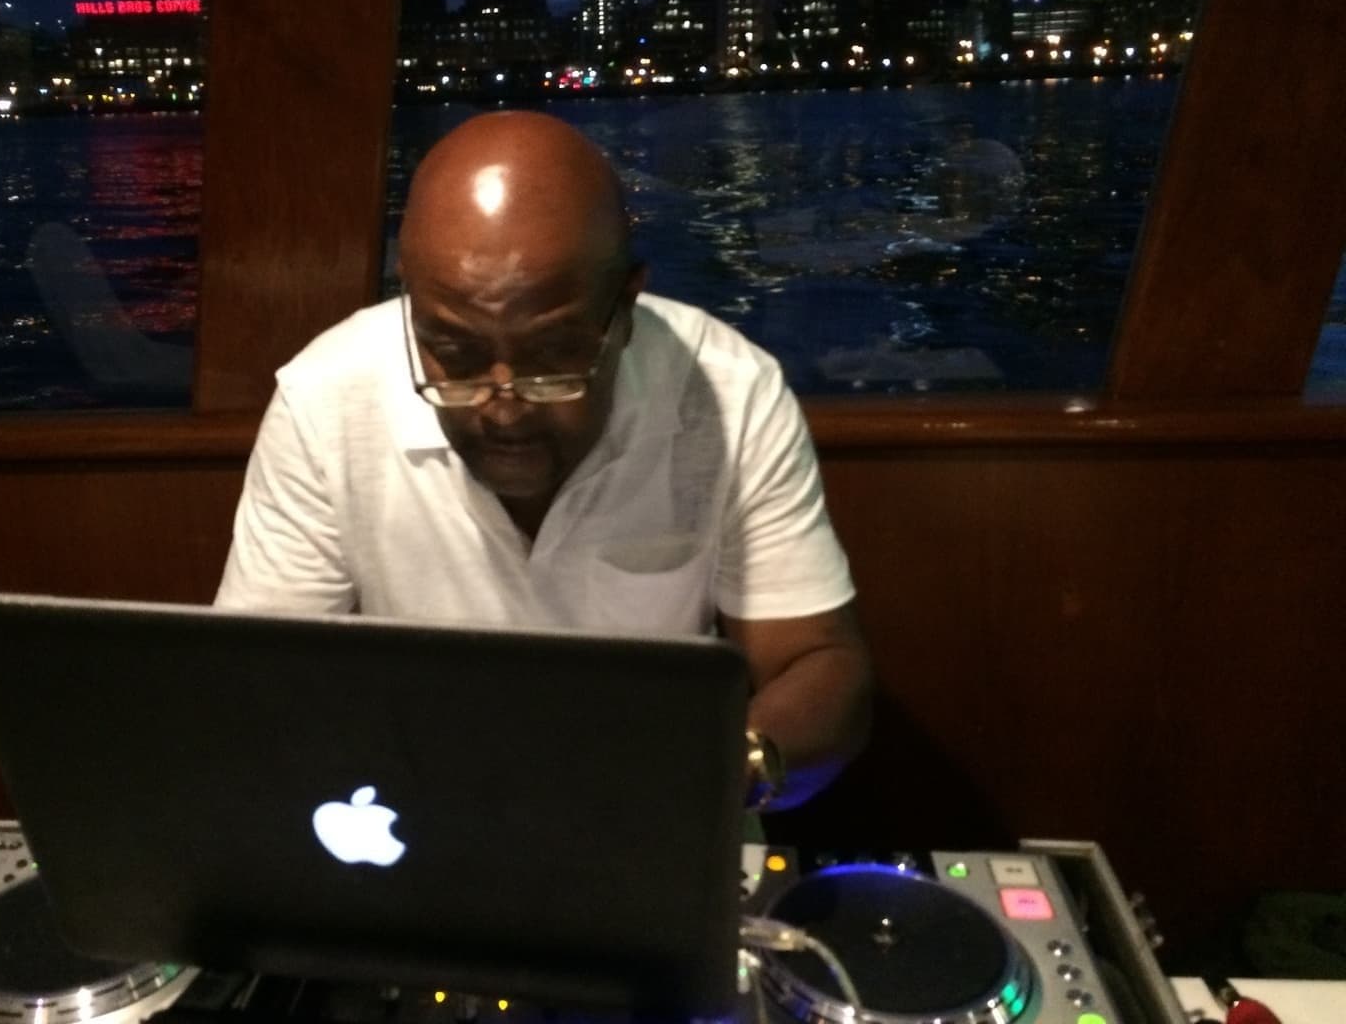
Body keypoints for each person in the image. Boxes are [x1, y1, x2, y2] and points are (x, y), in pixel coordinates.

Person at [217, 111, 871, 807]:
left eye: (553, 356)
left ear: (624, 307)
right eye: (458, 355)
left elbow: (820, 663)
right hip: (403, 814)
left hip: (657, 799)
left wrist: (723, 767)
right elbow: (257, 683)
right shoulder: (326, 398)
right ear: (411, 306)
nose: (504, 407)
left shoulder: (730, 392)